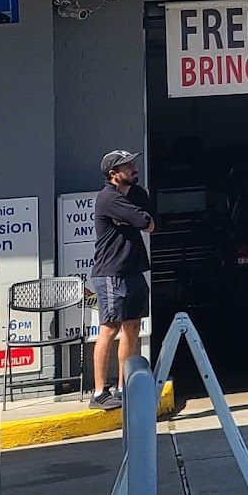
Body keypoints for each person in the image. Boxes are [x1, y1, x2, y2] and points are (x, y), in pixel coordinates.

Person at [88, 149, 153, 410]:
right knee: (110, 327)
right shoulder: (108, 198)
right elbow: (140, 219)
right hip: (111, 272)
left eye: (133, 164)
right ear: (114, 174)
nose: (133, 169)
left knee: (133, 325)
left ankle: (125, 388)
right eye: (127, 166)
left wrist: (137, 220)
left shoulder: (138, 194)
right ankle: (99, 392)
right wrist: (136, 219)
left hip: (133, 268)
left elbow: (150, 222)